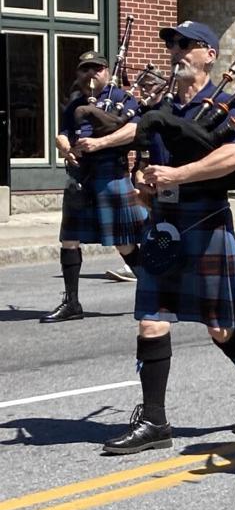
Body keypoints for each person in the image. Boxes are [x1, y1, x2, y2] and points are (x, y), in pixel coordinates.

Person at [104, 21, 235, 454]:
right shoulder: (161, 104)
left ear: (209, 55)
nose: (176, 51)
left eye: (186, 45)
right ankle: (154, 421)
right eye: (173, 45)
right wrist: (143, 183)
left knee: (220, 328)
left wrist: (180, 174)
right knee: (152, 319)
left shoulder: (222, 103)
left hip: (206, 219)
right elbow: (145, 159)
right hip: (164, 222)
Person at [41, 51, 148, 323]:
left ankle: (156, 293)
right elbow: (65, 132)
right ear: (78, 74)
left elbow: (135, 131)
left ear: (107, 72)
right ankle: (72, 302)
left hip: (110, 175)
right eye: (85, 69)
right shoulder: (75, 103)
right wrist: (63, 144)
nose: (91, 74)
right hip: (80, 176)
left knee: (125, 244)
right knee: (69, 239)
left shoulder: (124, 99)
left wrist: (100, 143)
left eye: (97, 68)